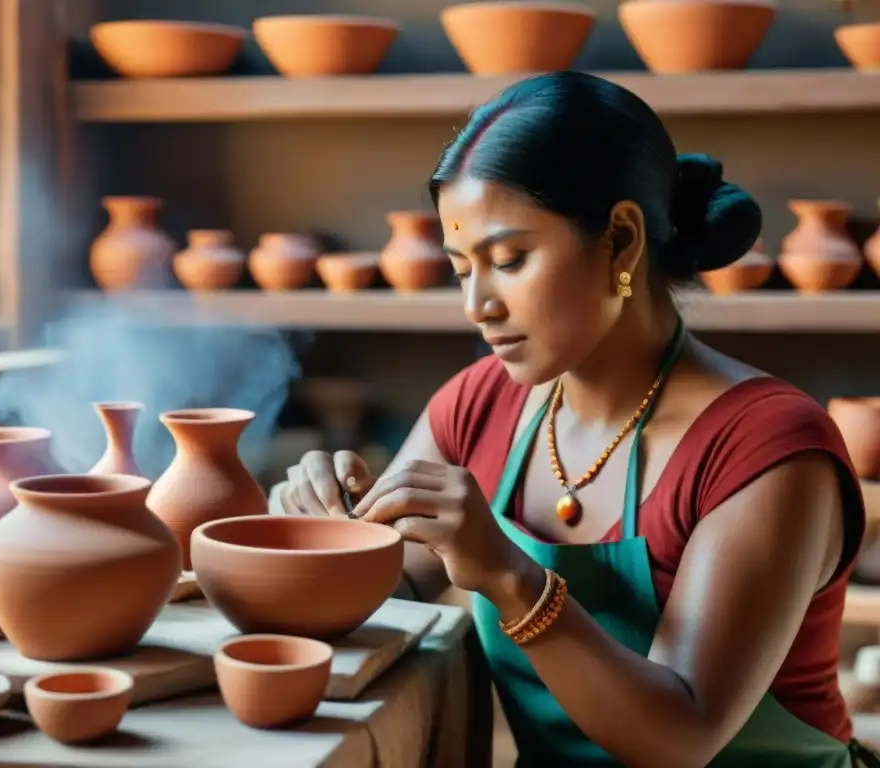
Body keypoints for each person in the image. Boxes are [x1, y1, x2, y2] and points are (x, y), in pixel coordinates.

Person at [276, 71, 872, 767]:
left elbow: (680, 738)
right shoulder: (481, 404)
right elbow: (389, 589)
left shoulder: (766, 450)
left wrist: (509, 576)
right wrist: (323, 526)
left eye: (509, 260)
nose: (478, 304)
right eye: (461, 267)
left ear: (621, 241)